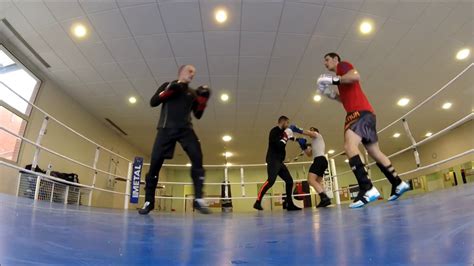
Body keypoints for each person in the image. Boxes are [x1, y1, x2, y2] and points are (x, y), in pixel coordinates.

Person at [316, 52, 409, 208]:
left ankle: (367, 188)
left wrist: (333, 79)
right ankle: (398, 183)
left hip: (358, 113)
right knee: (375, 152)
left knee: (349, 146)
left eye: (326, 60)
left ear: (335, 59)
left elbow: (355, 76)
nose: (325, 64)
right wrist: (329, 93)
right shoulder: (341, 79)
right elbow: (344, 98)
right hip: (368, 114)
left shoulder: (343, 65)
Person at [139, 65, 211, 215]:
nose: (192, 74)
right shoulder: (168, 85)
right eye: (190, 71)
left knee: (197, 157)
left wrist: (203, 100)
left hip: (185, 129)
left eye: (194, 73)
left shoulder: (192, 93)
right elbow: (153, 102)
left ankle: (198, 199)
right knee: (155, 164)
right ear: (181, 72)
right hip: (165, 129)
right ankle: (148, 201)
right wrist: (169, 91)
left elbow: (198, 114)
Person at [253, 116, 302, 211]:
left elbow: (290, 137)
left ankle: (289, 204)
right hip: (273, 160)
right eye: (287, 123)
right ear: (282, 122)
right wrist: (285, 136)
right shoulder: (274, 131)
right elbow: (279, 145)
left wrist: (298, 140)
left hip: (280, 161)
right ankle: (257, 202)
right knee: (271, 181)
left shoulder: (283, 132)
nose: (287, 125)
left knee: (289, 181)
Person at [290, 126, 331, 208]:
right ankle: (326, 199)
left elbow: (309, 133)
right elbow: (309, 154)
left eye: (312, 130)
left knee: (310, 180)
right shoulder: (314, 142)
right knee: (317, 182)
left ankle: (324, 198)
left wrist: (298, 130)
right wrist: (303, 147)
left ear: (316, 131)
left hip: (319, 160)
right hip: (321, 161)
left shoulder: (318, 136)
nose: (309, 131)